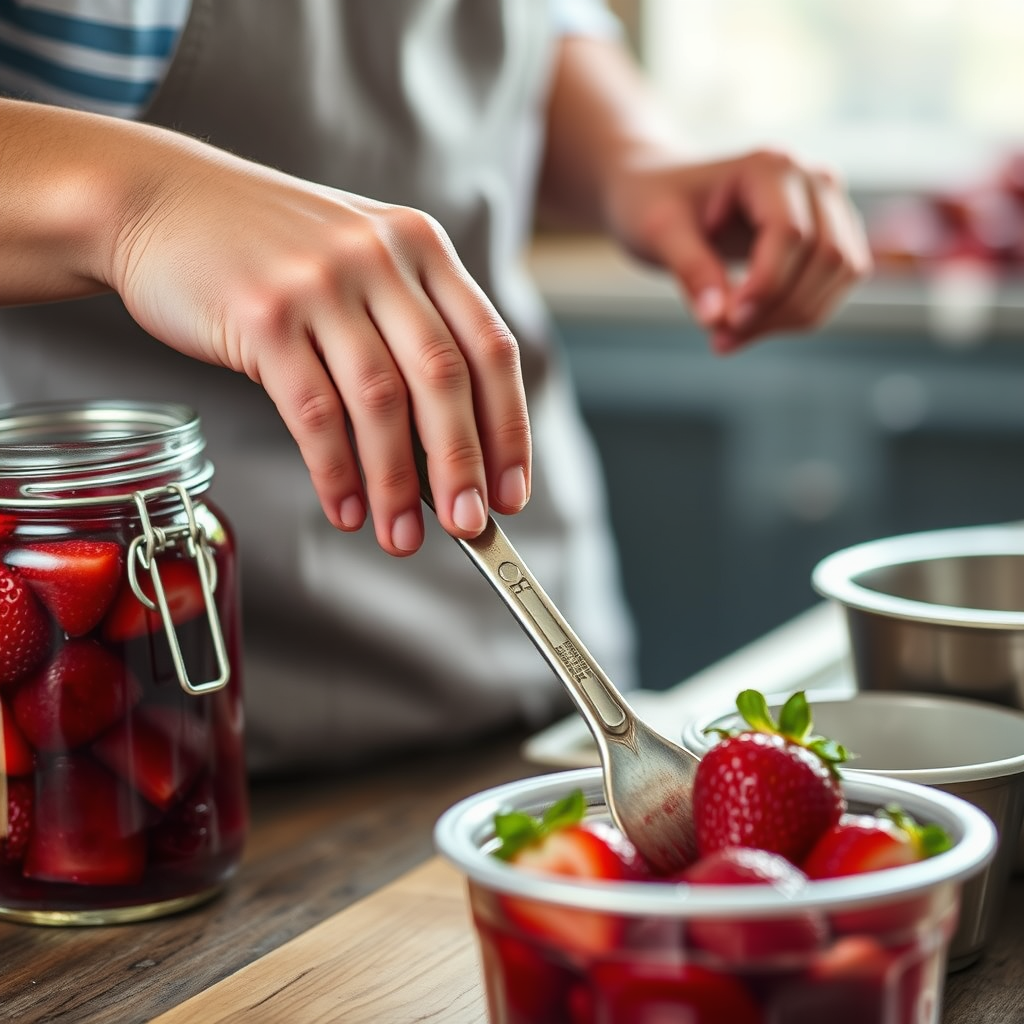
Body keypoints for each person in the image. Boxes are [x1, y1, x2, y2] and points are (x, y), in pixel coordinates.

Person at [0, 1, 871, 774]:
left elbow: (536, 25)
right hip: (126, 736)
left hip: (539, 701)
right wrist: (138, 205)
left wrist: (636, 158)